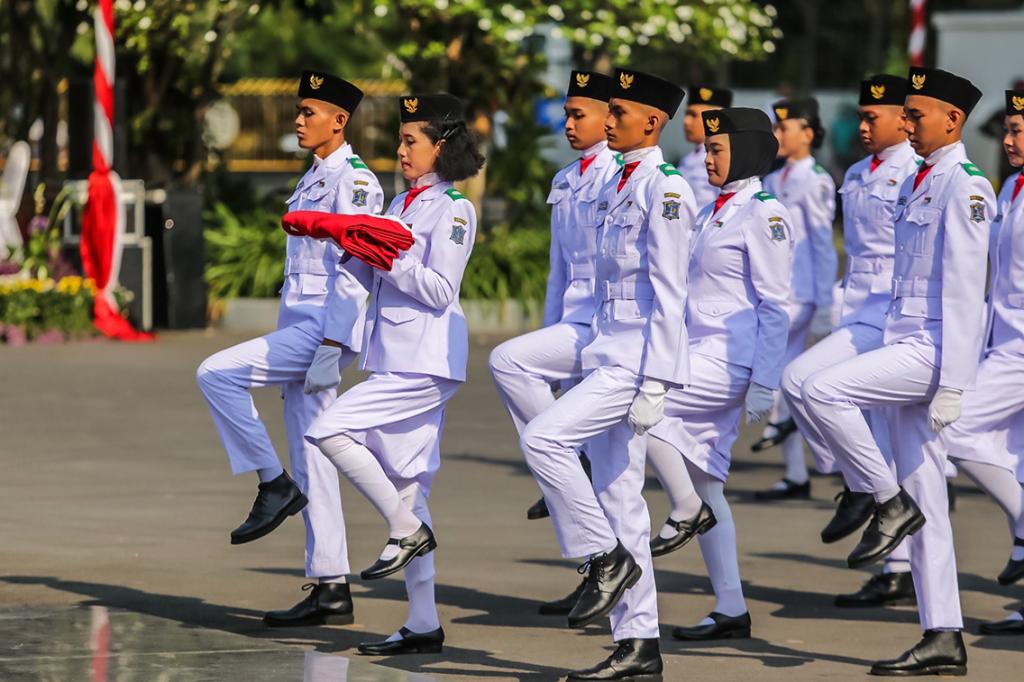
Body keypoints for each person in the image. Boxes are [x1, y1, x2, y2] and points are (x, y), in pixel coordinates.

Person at [802, 67, 992, 676]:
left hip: (932, 350)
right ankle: (943, 634)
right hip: (903, 338)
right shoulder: (921, 179)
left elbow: (966, 293)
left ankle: (880, 499)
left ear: (953, 120)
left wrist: (956, 383)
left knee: (821, 387)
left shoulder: (964, 186)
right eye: (903, 115)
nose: (904, 123)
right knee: (927, 494)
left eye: (916, 115)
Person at [520, 69, 693, 680]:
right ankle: (640, 645)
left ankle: (603, 557)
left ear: (652, 122)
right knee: (622, 499)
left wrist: (658, 383)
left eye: (619, 111)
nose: (608, 120)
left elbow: (673, 294)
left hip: (636, 361)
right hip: (604, 352)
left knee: (543, 438)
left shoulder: (665, 189)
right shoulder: (614, 182)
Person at [195, 71, 382, 626]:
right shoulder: (313, 177)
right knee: (313, 454)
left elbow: (358, 264)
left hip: (320, 329)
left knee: (216, 373)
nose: (298, 120)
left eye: (308, 112)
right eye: (299, 111)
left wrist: (332, 342)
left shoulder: (356, 181)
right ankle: (330, 585)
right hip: (299, 323)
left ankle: (271, 485)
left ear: (339, 120)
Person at [304, 93, 484, 656]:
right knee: (410, 483)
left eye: (412, 141)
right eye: (401, 140)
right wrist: (344, 241)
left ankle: (403, 528)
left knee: (328, 429)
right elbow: (364, 272)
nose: (401, 151)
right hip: (393, 355)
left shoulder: (454, 208)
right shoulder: (402, 205)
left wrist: (389, 256)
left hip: (426, 359)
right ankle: (423, 622)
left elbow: (438, 289)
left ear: (443, 146)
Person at [646, 107, 793, 642]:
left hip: (730, 360)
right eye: (706, 149)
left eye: (717, 149)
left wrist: (766, 381)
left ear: (748, 151)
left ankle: (683, 509)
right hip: (696, 352)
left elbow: (777, 305)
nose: (706, 158)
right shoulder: (715, 209)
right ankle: (731, 607)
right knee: (708, 482)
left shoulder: (764, 214)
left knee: (642, 412)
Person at [781, 75, 921, 608]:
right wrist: (833, 305)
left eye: (871, 118)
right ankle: (862, 486)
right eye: (860, 117)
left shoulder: (916, 172)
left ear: (903, 118)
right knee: (797, 381)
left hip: (899, 317)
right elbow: (854, 254)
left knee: (894, 443)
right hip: (860, 309)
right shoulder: (858, 173)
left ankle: (898, 563)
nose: (861, 127)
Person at [489, 71, 620, 534]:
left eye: (577, 114)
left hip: (608, 324)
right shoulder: (565, 179)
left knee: (614, 475)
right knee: (574, 466)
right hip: (572, 320)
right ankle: (590, 563)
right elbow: (557, 271)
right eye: (566, 114)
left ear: (609, 117)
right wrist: (550, 331)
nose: (567, 123)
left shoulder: (619, 176)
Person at [944, 89, 1024, 636]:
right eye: (1009, 131)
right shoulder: (1014, 186)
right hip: (1002, 339)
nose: (1010, 141)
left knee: (954, 425)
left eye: (1020, 130)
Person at [755, 97, 837, 501]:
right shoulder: (774, 180)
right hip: (780, 291)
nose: (777, 135)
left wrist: (824, 303)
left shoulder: (816, 180)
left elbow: (823, 245)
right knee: (780, 373)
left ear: (807, 133)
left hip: (802, 293)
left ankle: (806, 443)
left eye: (784, 128)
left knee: (776, 370)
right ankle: (794, 471)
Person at [676, 85, 734, 210]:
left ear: (714, 119)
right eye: (687, 114)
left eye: (693, 115)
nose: (686, 121)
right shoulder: (687, 159)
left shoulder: (726, 159)